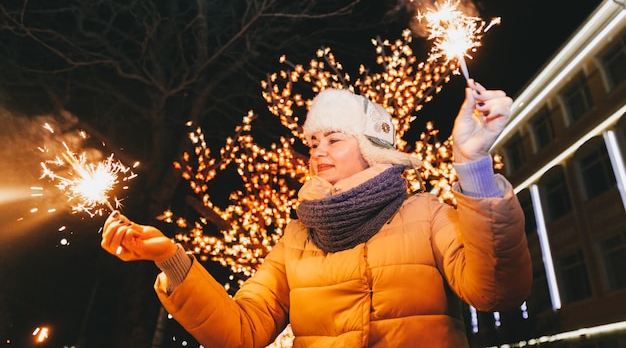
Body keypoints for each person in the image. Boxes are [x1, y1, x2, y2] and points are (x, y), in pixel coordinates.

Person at [101, 80, 532, 348]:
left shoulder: (426, 213)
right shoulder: (296, 237)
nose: (319, 150)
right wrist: (171, 260)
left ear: (371, 150)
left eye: (335, 139)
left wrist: (473, 164)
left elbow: (497, 292)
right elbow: (242, 332)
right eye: (313, 142)